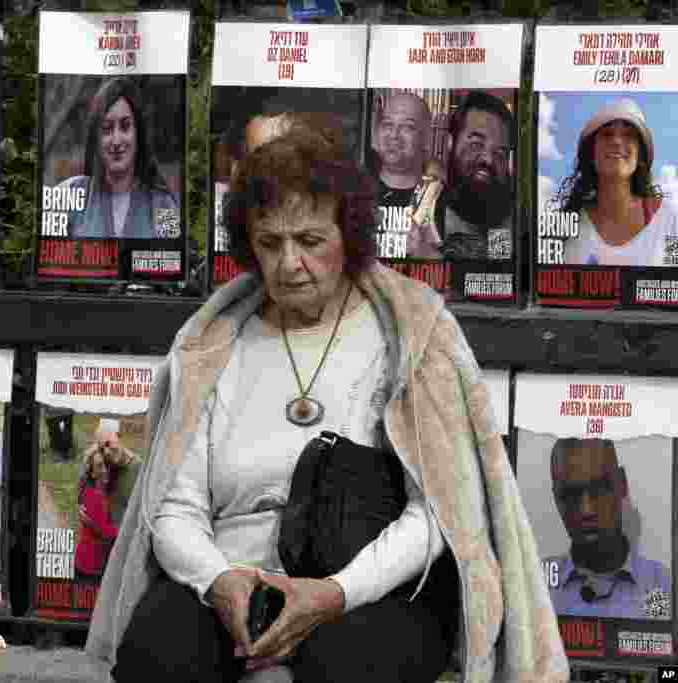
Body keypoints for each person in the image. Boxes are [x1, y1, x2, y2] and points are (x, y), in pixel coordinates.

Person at [87, 128, 567, 683]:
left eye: (311, 240)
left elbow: (438, 511)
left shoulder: (409, 339)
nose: (290, 263)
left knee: (345, 668)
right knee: (157, 657)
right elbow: (173, 504)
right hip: (233, 578)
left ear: (350, 235)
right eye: (270, 243)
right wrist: (221, 584)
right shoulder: (213, 345)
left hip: (374, 586)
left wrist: (334, 594)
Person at [544, 438, 671, 620]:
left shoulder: (660, 585)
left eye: (598, 489)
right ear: (556, 499)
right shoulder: (536, 585)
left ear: (622, 485)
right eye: (570, 494)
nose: (586, 510)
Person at [556, 99, 678, 266]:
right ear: (591, 152)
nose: (617, 141)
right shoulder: (565, 228)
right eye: (607, 134)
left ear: (640, 155)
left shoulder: (670, 221)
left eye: (629, 135)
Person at [58, 77, 179, 240]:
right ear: (96, 137)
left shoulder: (164, 205)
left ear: (138, 133)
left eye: (125, 126)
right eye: (107, 129)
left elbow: (172, 262)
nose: (116, 140)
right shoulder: (69, 193)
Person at [407, 91, 515, 261]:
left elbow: (498, 266)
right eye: (476, 144)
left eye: (499, 153)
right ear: (450, 142)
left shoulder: (506, 215)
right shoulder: (423, 204)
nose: (488, 159)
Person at [371, 91, 432, 207]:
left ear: (426, 139)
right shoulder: (357, 195)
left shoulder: (436, 200)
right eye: (388, 124)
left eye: (407, 127)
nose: (394, 135)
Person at [74, 445, 118, 579]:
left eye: (106, 465)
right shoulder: (93, 496)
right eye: (99, 466)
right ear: (92, 472)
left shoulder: (99, 490)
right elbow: (103, 531)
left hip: (91, 563)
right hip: (89, 567)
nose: (105, 470)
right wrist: (123, 530)